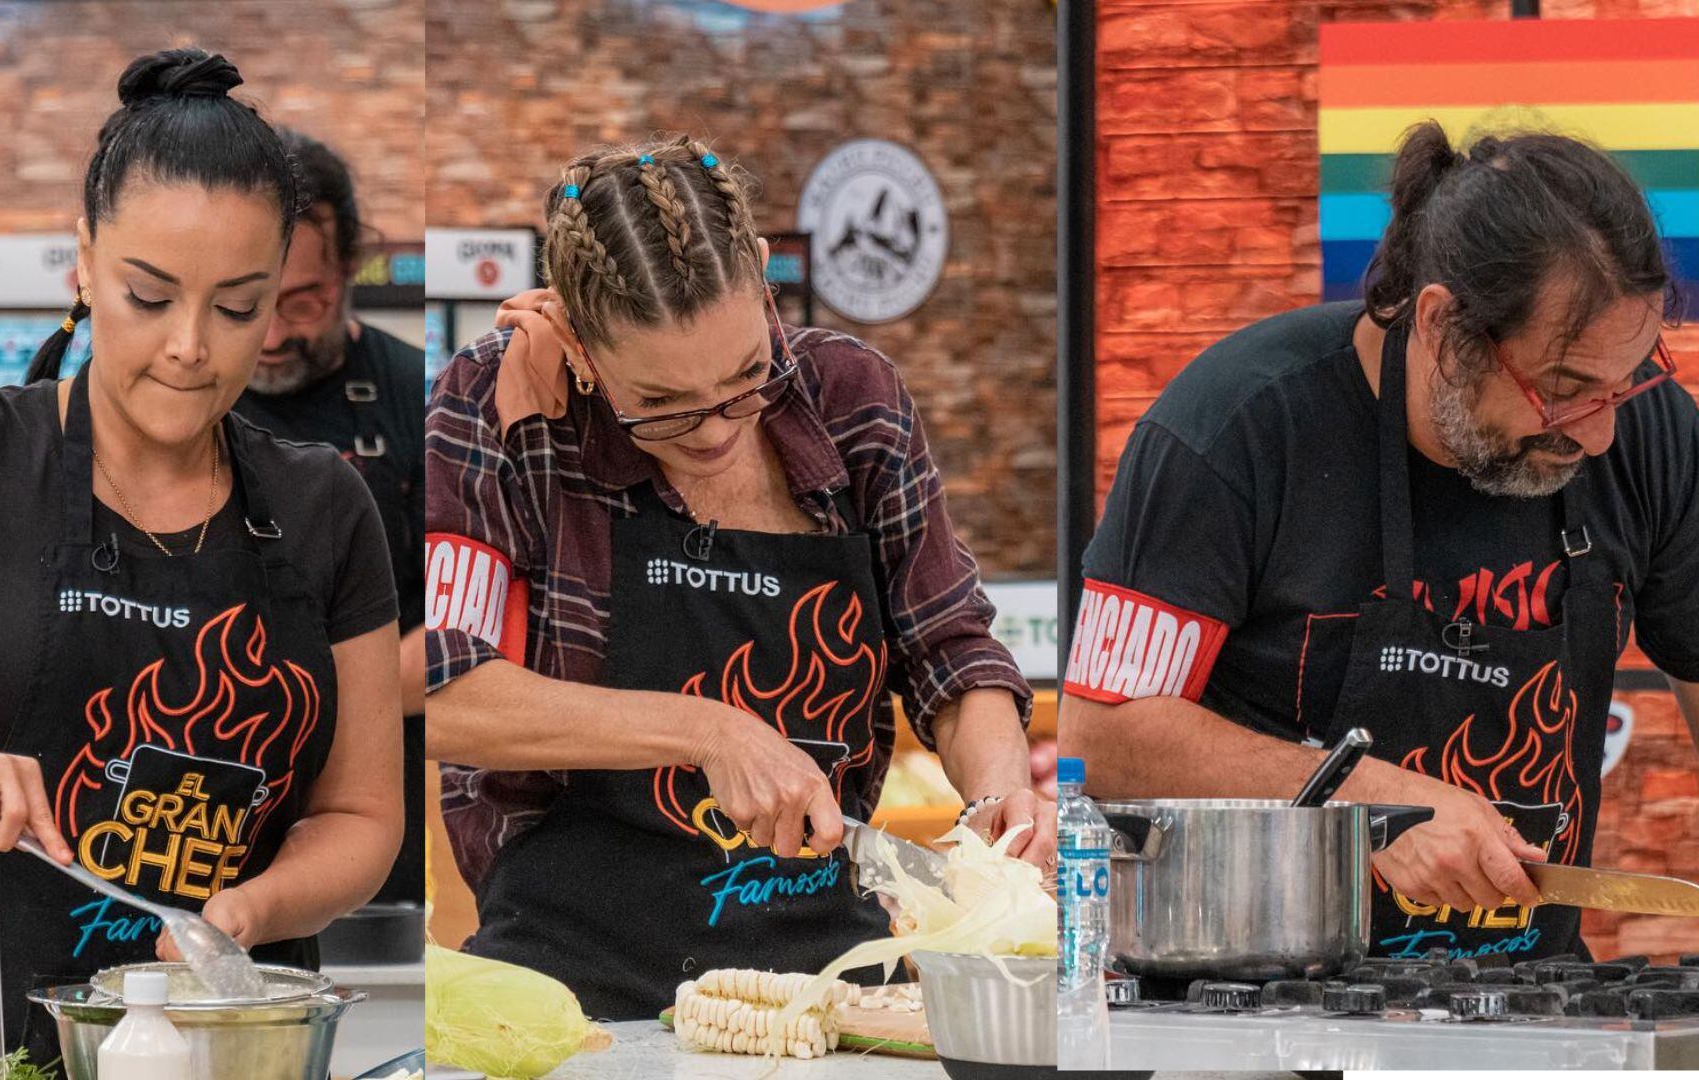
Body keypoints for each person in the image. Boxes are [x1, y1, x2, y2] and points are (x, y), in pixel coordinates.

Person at [0, 49, 404, 1056]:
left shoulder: (325, 504)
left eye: (238, 306)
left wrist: (250, 909)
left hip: (226, 1049)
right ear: (83, 262)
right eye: (148, 298)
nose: (191, 348)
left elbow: (364, 816)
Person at [425, 135, 1054, 1019]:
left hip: (831, 969)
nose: (717, 431)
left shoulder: (853, 399)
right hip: (570, 981)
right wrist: (710, 732)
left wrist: (999, 801)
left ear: (761, 278)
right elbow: (441, 689)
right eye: (660, 406)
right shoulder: (501, 412)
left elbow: (950, 652)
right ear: (576, 337)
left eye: (746, 377)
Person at [1060, 121, 1699, 962]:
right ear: (1441, 324)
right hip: (1249, 1000)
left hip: (1536, 1005)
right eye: (1565, 390)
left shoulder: (1647, 434)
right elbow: (1100, 736)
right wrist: (1361, 798)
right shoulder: (1238, 427)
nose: (1603, 434)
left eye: (1630, 378)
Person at [232, 128, 425, 904]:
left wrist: (314, 699)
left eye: (302, 301)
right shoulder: (177, 395)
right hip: (211, 788)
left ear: (351, 268)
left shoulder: (417, 395)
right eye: (249, 306)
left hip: (380, 794)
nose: (274, 337)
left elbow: (463, 618)